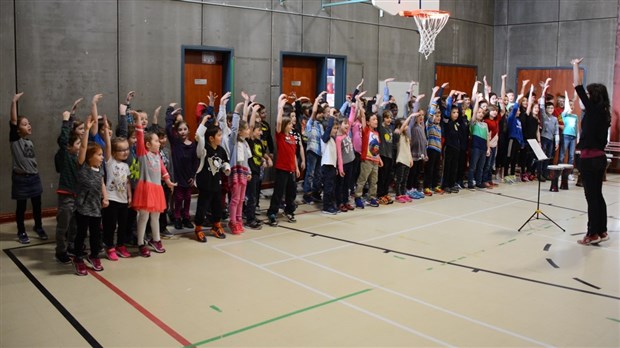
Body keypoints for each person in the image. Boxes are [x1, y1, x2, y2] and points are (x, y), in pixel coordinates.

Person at [571, 58, 611, 245]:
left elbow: (577, 86)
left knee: (591, 197)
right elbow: (580, 89)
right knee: (598, 195)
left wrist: (575, 65)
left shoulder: (593, 112)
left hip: (590, 159)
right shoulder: (604, 113)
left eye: (588, 94)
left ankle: (592, 233)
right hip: (600, 158)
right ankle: (602, 230)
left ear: (592, 97)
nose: (584, 96)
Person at [130, 111, 176, 256]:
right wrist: (138, 121)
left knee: (155, 216)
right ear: (148, 144)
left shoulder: (157, 156)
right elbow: (139, 136)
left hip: (157, 189)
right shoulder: (143, 154)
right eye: (156, 141)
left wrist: (168, 181)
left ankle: (156, 239)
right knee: (143, 216)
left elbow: (163, 170)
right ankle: (141, 242)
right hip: (146, 188)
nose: (159, 143)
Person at [9, 92, 47, 244]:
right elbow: (12, 120)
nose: (29, 125)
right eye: (24, 124)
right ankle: (21, 231)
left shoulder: (29, 142)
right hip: (21, 178)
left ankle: (38, 227)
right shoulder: (15, 140)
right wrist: (14, 102)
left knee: (37, 204)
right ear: (17, 130)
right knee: (21, 207)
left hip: (34, 177)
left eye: (29, 123)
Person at [73, 115, 108, 275]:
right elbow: (83, 148)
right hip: (82, 207)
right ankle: (78, 258)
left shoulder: (99, 168)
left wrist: (105, 196)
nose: (102, 157)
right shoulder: (83, 166)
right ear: (89, 156)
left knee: (96, 234)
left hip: (96, 207)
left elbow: (101, 182)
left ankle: (94, 256)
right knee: (81, 233)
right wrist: (86, 130)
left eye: (102, 155)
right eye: (99, 155)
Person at [194, 114, 231, 241]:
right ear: (211, 138)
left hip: (216, 183)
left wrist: (226, 168)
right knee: (202, 207)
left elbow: (225, 162)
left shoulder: (221, 150)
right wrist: (203, 122)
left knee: (218, 206)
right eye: (219, 135)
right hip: (205, 184)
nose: (221, 138)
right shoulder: (204, 150)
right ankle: (198, 228)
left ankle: (216, 225)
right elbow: (199, 136)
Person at [54, 105, 82, 263]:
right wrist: (66, 121)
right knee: (63, 226)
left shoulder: (76, 157)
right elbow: (65, 139)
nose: (79, 148)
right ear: (69, 147)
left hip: (76, 195)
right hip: (66, 196)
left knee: (74, 226)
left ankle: (71, 245)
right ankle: (60, 251)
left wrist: (72, 116)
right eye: (77, 145)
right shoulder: (65, 155)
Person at [266, 94, 300, 226]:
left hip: (291, 169)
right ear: (285, 125)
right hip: (282, 169)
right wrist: (280, 107)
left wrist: (296, 167)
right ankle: (272, 213)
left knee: (292, 192)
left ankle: (289, 211)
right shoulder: (280, 136)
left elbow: (293, 155)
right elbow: (278, 122)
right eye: (290, 124)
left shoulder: (292, 138)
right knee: (278, 193)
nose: (292, 126)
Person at [102, 120, 132, 260]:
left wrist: (129, 196)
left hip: (123, 199)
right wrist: (107, 132)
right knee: (111, 225)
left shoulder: (125, 166)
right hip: (112, 198)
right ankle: (109, 246)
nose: (125, 152)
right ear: (114, 152)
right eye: (121, 150)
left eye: (126, 149)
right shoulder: (110, 162)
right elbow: (107, 146)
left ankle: (121, 245)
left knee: (123, 225)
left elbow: (127, 182)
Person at [165, 103, 197, 230]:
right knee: (178, 198)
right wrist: (170, 114)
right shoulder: (175, 143)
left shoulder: (193, 145)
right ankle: (177, 217)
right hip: (178, 177)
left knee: (188, 198)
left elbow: (195, 161)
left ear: (188, 130)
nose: (183, 132)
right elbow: (168, 128)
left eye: (185, 129)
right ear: (176, 132)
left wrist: (193, 176)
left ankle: (186, 217)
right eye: (180, 130)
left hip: (188, 177)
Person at [227, 99, 253, 234]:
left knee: (242, 199)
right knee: (235, 198)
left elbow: (246, 161)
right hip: (235, 173)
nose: (249, 130)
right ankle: (232, 221)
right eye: (247, 128)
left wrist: (248, 171)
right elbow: (234, 128)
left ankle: (239, 220)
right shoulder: (234, 142)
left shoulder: (245, 143)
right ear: (241, 131)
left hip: (243, 173)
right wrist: (237, 111)